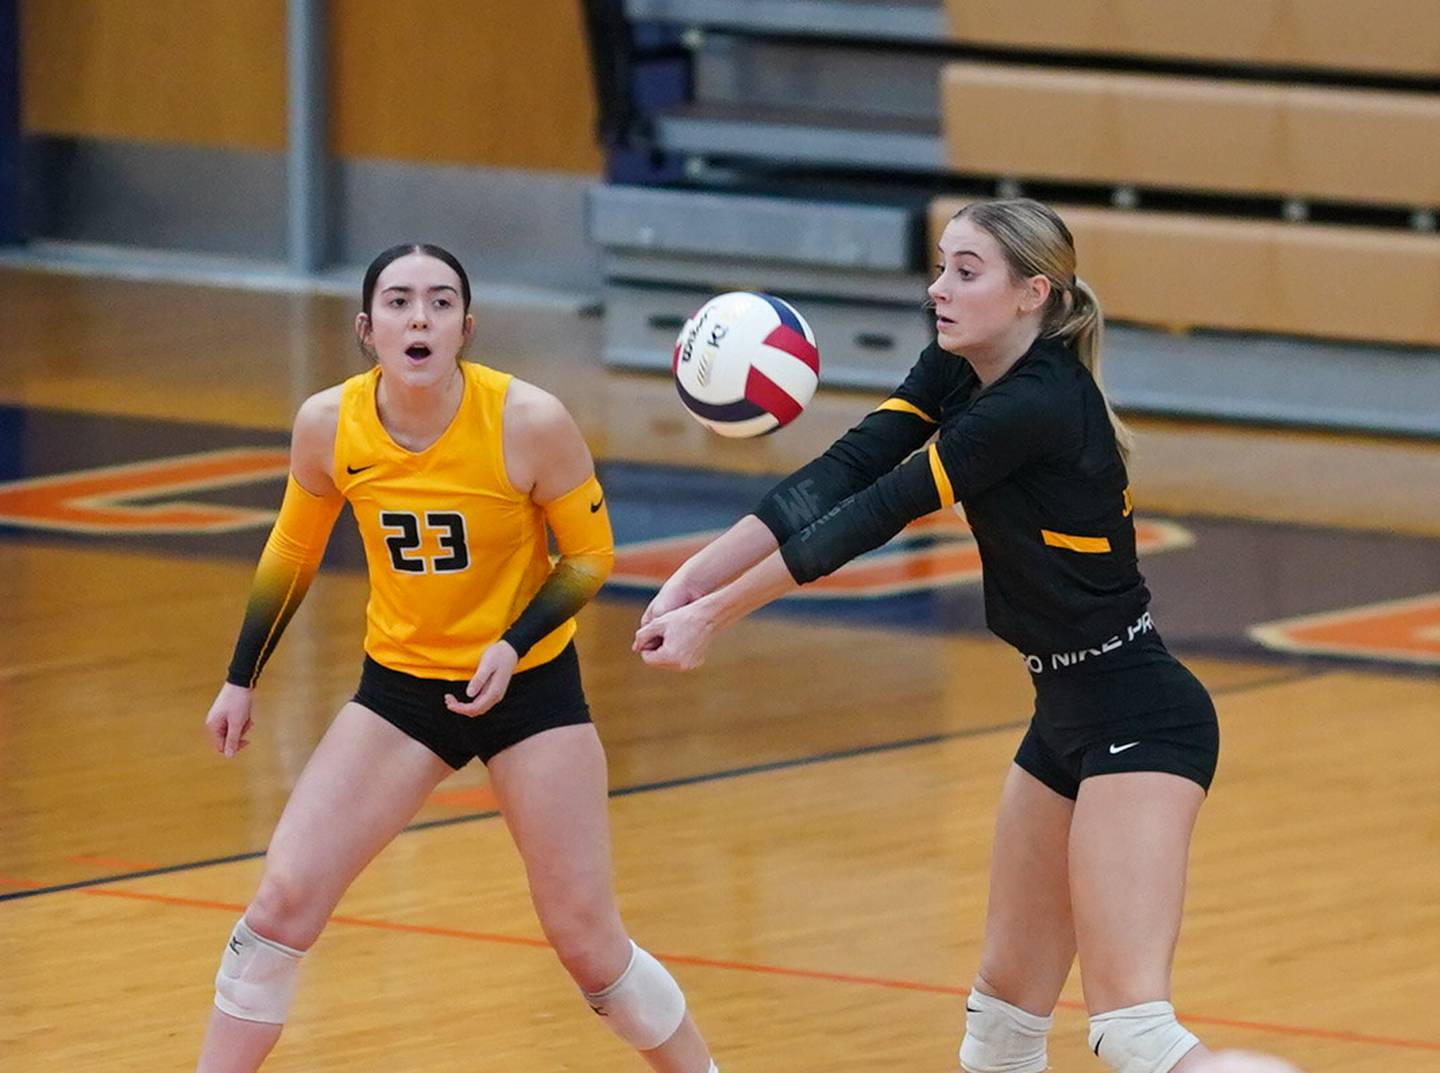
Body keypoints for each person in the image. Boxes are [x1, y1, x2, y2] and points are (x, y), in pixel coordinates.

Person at [633, 200, 1303, 1073]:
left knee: (1134, 1031)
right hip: (1063, 713)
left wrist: (713, 617)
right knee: (1000, 1028)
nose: (937, 288)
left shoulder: (1038, 402)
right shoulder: (962, 368)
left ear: (1034, 292)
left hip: (1140, 716)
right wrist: (695, 575)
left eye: (964, 271)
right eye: (940, 265)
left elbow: (880, 509)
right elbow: (845, 468)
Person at [197, 244, 719, 1073]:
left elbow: (590, 556)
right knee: (281, 902)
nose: (420, 318)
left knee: (588, 942)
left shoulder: (529, 420)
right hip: (399, 690)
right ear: (368, 329)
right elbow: (291, 551)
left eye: (440, 304)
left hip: (532, 692)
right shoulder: (329, 423)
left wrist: (512, 646)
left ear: (465, 329)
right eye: (400, 303)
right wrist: (239, 677)